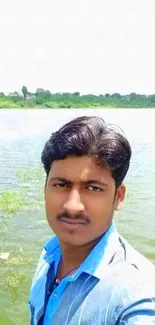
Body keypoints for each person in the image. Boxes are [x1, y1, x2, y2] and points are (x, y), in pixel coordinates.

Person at [29, 116, 155, 325]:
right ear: (45, 188)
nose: (72, 206)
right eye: (61, 185)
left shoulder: (136, 294)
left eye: (93, 188)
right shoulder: (49, 256)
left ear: (118, 197)